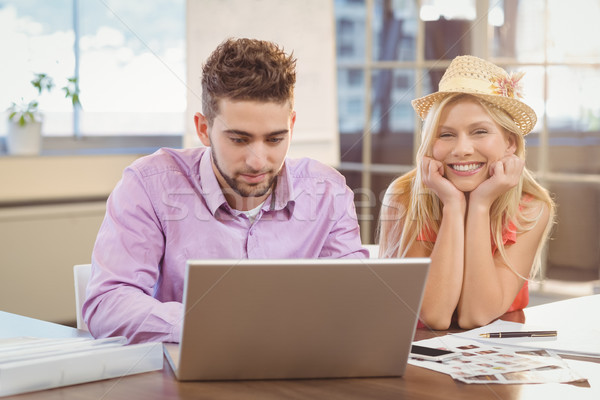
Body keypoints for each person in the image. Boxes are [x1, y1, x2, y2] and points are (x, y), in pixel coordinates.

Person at [83, 38, 367, 344]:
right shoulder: (149, 184)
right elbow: (107, 303)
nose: (258, 161)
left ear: (292, 126)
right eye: (239, 139)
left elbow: (355, 301)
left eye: (274, 139)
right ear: (204, 130)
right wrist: (219, 326)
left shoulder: (328, 191)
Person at [378, 55, 555, 330]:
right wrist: (452, 205)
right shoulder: (403, 196)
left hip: (498, 358)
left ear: (510, 143)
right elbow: (434, 315)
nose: (461, 149)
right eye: (446, 135)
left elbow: (477, 315)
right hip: (416, 353)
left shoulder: (532, 207)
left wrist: (481, 205)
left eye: (479, 132)